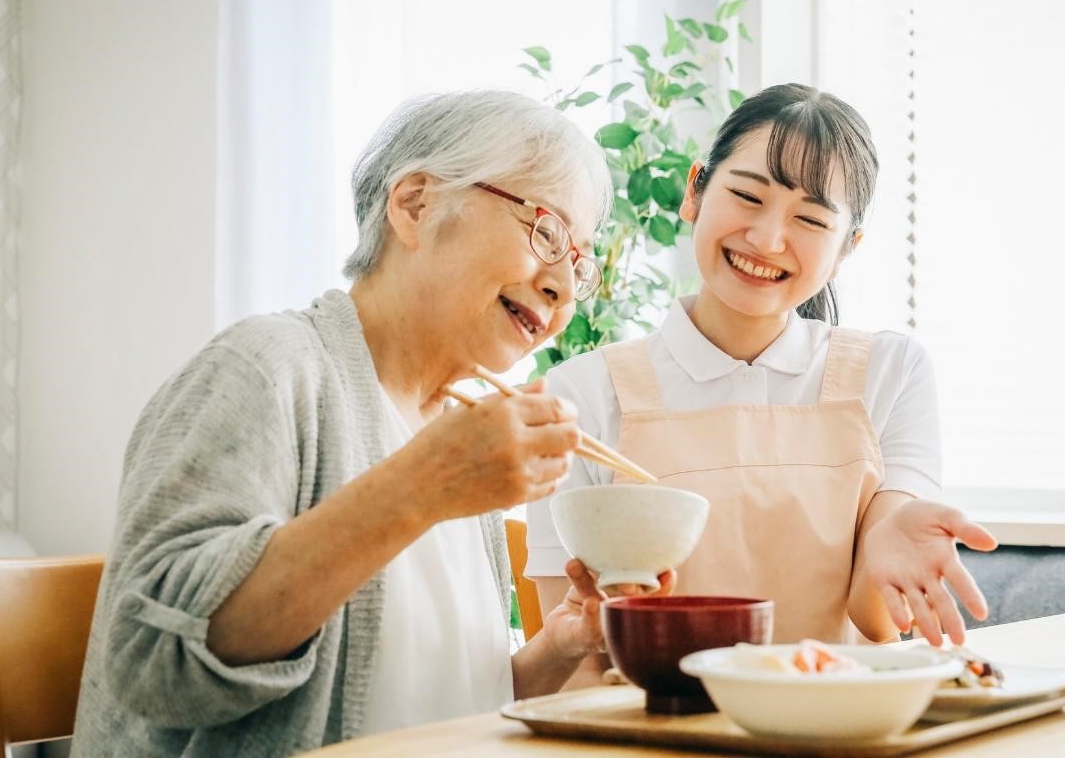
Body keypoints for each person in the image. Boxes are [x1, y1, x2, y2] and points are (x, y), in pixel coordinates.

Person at [71, 90, 671, 757]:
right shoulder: (266, 369)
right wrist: (423, 487)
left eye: (580, 262)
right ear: (415, 203)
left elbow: (448, 703)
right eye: (547, 233)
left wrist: (562, 644)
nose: (562, 284)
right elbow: (151, 660)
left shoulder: (455, 426)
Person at [526, 84, 998, 676]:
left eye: (810, 219)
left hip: (841, 728)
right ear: (695, 189)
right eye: (748, 196)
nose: (768, 239)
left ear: (847, 247)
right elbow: (572, 663)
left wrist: (890, 543)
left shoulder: (892, 371)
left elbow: (872, 621)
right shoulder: (579, 397)